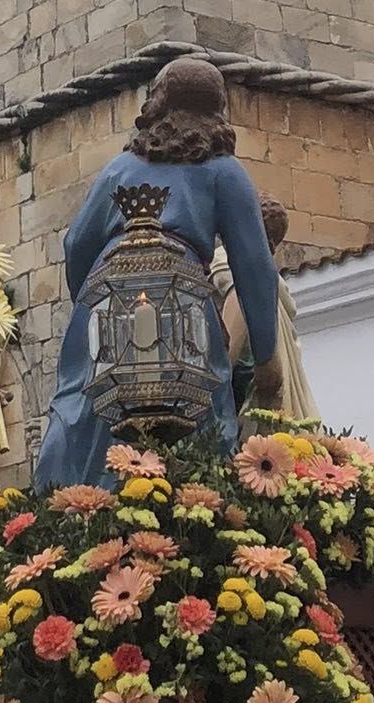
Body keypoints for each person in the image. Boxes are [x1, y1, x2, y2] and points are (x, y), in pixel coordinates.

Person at [34, 58, 282, 489]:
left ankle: (71, 500)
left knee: (83, 404)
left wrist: (91, 309)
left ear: (156, 106)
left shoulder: (119, 168)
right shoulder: (225, 171)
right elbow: (255, 266)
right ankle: (191, 503)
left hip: (106, 294)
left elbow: (76, 244)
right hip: (184, 301)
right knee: (197, 405)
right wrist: (266, 356)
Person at [214, 196, 319, 423]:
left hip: (238, 394)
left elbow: (237, 313)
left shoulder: (231, 261)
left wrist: (212, 384)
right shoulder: (273, 282)